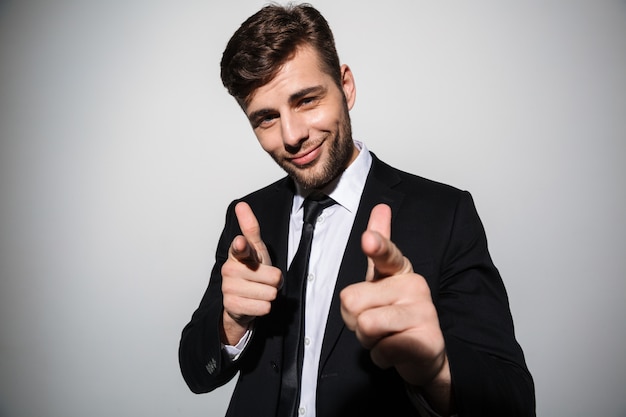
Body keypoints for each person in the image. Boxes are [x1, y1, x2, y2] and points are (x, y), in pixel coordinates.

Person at [179, 3, 535, 417]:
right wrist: (232, 322)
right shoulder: (248, 218)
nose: (292, 136)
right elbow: (196, 372)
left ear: (345, 86)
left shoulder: (444, 213)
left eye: (307, 100)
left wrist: (435, 367)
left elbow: (513, 400)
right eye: (266, 119)